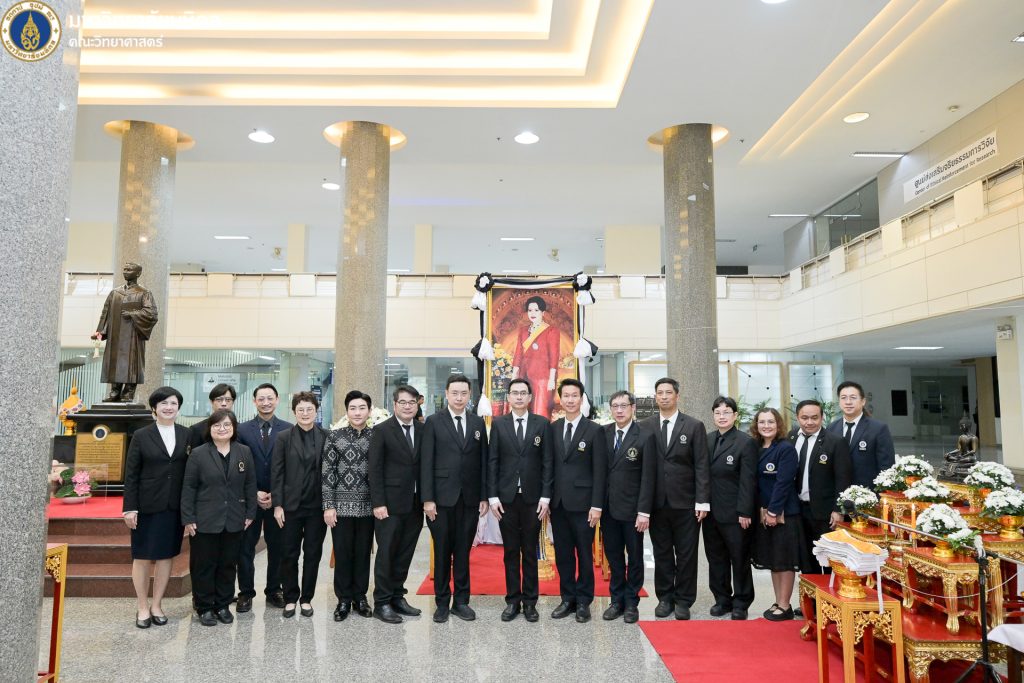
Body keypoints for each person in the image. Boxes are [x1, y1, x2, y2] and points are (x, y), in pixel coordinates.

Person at [638, 377, 710, 621]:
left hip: (687, 503)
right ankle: (665, 598)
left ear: (677, 396)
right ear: (655, 397)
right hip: (657, 503)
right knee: (661, 553)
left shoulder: (694, 426)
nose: (664, 396)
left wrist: (702, 501)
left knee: (687, 554)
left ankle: (683, 600)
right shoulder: (644, 426)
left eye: (668, 392)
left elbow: (701, 465)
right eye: (660, 392)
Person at [421, 374, 489, 623]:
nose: (459, 397)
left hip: (469, 499)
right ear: (447, 394)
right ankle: (441, 602)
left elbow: (483, 461)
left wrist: (483, 496)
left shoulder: (477, 423)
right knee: (442, 552)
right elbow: (426, 462)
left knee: (463, 552)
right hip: (440, 500)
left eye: (464, 393)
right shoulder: (433, 422)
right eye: (455, 393)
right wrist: (428, 499)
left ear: (470, 395)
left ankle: (461, 601)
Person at [122, 386, 191, 628]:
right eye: (163, 403)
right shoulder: (141, 435)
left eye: (173, 403)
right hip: (147, 505)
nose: (168, 407)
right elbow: (131, 474)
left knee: (166, 556)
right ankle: (142, 606)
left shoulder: (186, 434)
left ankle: (157, 604)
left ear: (178, 407)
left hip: (174, 506)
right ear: (154, 408)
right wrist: (130, 507)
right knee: (142, 556)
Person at [180, 409, 256, 627]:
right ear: (210, 429)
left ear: (234, 428)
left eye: (227, 425)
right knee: (204, 565)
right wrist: (188, 517)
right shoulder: (198, 454)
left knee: (227, 565)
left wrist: (250, 512)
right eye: (217, 425)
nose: (222, 429)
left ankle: (222, 605)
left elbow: (250, 484)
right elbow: (189, 487)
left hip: (234, 518)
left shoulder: (244, 452)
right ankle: (204, 607)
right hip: (204, 520)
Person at [487, 378, 552, 623]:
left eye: (523, 393)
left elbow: (547, 462)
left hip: (534, 499)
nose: (519, 397)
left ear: (530, 397)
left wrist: (545, 496)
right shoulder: (499, 424)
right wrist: (493, 496)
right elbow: (493, 461)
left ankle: (530, 602)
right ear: (509, 397)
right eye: (514, 393)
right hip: (506, 499)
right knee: (511, 551)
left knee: (530, 551)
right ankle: (513, 601)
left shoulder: (541, 424)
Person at [547, 378, 607, 623]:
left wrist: (597, 505)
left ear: (581, 399)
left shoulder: (594, 430)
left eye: (575, 396)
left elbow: (600, 471)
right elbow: (549, 467)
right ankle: (567, 598)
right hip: (558, 504)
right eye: (566, 396)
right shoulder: (553, 428)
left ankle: (583, 601)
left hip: (584, 505)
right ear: (560, 399)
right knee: (563, 554)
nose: (570, 400)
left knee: (584, 554)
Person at [368, 385, 425, 624]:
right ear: (394, 405)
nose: (408, 406)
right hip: (389, 505)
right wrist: (378, 503)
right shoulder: (382, 430)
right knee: (386, 553)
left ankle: (397, 596)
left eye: (412, 402)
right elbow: (374, 469)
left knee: (405, 552)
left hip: (415, 503)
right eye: (403, 402)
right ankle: (381, 602)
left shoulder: (423, 429)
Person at [234, 383, 292, 612]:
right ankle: (246, 593)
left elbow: (290, 467)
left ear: (277, 400)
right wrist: (253, 492)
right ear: (254, 401)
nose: (266, 402)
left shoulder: (288, 429)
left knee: (277, 547)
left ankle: (274, 590)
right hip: (249, 499)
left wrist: (276, 495)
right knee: (245, 548)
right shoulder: (241, 430)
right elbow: (237, 465)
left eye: (270, 398)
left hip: (278, 501)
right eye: (261, 398)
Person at [600, 390, 655, 624]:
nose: (619, 410)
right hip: (608, 509)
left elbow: (648, 477)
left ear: (633, 408)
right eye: (615, 406)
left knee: (634, 558)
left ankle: (632, 602)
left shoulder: (645, 436)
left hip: (633, 511)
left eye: (624, 406)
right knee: (613, 557)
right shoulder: (603, 433)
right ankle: (616, 601)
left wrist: (644, 511)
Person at [272, 391, 328, 618]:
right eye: (300, 410)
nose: (305, 413)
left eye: (309, 409)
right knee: (289, 554)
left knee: (313, 554)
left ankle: (306, 598)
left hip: (317, 508)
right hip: (290, 507)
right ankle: (290, 598)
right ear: (294, 412)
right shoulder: (284, 437)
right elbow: (277, 473)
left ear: (316, 411)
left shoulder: (326, 436)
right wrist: (277, 505)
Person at [702, 396, 758, 620]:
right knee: (716, 558)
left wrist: (745, 511)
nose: (722, 416)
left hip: (735, 513)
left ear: (735, 415)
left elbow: (748, 480)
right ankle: (722, 599)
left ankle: (741, 602)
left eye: (726, 412)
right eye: (717, 412)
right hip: (710, 512)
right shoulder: (707, 440)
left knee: (739, 558)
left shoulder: (745, 442)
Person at [322, 390, 375, 622]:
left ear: (369, 411)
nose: (357, 412)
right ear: (346, 411)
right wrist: (328, 505)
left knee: (363, 553)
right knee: (343, 553)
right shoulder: (335, 436)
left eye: (362, 408)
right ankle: (343, 599)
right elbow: (328, 472)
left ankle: (360, 597)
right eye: (353, 408)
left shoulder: (376, 436)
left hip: (369, 506)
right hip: (340, 508)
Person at [750, 407, 802, 621]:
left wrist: (773, 511)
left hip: (783, 514)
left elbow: (783, 483)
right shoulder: (756, 447)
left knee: (785, 560)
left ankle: (785, 604)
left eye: (770, 421)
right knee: (774, 560)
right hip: (764, 513)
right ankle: (778, 600)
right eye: (762, 422)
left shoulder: (785, 449)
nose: (766, 426)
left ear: (778, 424)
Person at [788, 399, 851, 575]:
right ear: (797, 418)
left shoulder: (835, 442)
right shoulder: (791, 437)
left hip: (824, 512)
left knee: (828, 561)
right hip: (797, 509)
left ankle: (827, 593)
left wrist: (838, 510)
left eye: (814, 418)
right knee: (805, 559)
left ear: (822, 417)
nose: (809, 422)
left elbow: (843, 479)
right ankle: (810, 593)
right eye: (804, 418)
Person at [90, 261, 158, 403]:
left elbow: (151, 313)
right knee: (114, 362)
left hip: (133, 335)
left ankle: (128, 392)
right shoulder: (115, 293)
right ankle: (114, 391)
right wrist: (100, 331)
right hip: (115, 335)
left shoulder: (144, 293)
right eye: (124, 269)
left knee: (131, 364)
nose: (125, 272)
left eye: (129, 270)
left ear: (138, 273)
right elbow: (105, 313)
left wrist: (133, 314)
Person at [826, 381, 895, 488]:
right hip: (838, 491)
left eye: (853, 397)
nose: (848, 402)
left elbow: (886, 466)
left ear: (863, 401)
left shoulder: (878, 428)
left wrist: (880, 491)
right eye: (843, 398)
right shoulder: (831, 428)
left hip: (867, 492)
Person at [510, 296, 560, 419]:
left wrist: (551, 379)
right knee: (522, 411)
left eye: (536, 310)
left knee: (540, 412)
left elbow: (554, 355)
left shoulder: (551, 331)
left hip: (543, 378)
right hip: (524, 376)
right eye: (530, 310)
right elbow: (518, 354)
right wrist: (514, 376)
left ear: (543, 313)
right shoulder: (523, 331)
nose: (532, 313)